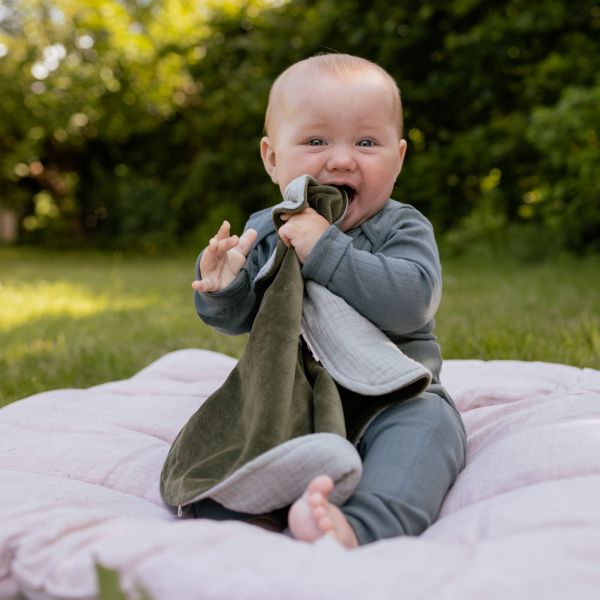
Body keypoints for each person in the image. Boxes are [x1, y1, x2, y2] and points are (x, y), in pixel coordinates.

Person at [191, 53, 466, 548]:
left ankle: (361, 524)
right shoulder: (264, 228)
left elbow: (413, 301)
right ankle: (245, 521)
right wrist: (224, 287)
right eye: (316, 141)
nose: (341, 159)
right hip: (292, 404)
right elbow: (239, 319)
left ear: (398, 159)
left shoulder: (401, 226)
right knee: (227, 446)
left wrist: (327, 250)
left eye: (366, 142)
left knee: (430, 430)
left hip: (395, 397)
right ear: (272, 158)